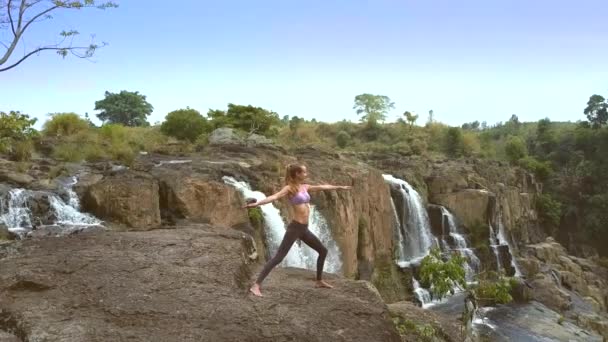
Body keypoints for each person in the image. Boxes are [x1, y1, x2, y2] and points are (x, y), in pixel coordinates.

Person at [243, 163, 351, 297]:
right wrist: (258, 203)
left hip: (304, 229)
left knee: (323, 251)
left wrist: (339, 187)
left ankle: (319, 281)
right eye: (304, 172)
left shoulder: (305, 187)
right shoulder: (290, 189)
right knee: (278, 258)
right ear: (297, 174)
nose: (306, 174)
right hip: (295, 228)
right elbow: (274, 197)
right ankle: (256, 285)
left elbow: (322, 187)